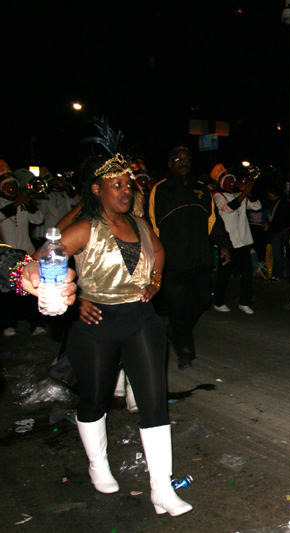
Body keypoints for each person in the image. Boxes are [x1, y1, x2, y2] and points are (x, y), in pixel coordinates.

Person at [54, 154, 192, 516]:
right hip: (96, 323)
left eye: (128, 185)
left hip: (141, 319)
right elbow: (46, 258)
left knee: (153, 400)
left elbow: (159, 252)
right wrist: (74, 299)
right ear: (97, 189)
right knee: (96, 398)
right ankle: (98, 464)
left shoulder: (141, 223)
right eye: (117, 184)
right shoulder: (84, 226)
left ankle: (162, 488)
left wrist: (156, 280)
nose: (126, 191)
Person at [149, 147, 232, 369]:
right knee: (178, 307)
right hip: (172, 261)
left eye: (186, 159)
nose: (183, 162)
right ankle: (185, 351)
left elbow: (213, 221)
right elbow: (151, 225)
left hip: (199, 258)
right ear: (170, 164)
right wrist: (154, 256)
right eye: (178, 159)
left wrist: (224, 243)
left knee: (202, 301)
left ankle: (173, 332)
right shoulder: (160, 190)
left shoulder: (201, 191)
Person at [1, 168, 46, 337]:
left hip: (27, 251)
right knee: (8, 294)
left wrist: (28, 202)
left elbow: (38, 219)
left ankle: (36, 324)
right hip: (7, 255)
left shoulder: (23, 203)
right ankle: (9, 324)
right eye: (8, 185)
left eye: (14, 184)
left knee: (31, 290)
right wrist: (16, 203)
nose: (12, 187)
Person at [211, 164, 261, 314]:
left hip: (242, 242)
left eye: (233, 179)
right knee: (224, 274)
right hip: (228, 243)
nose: (232, 181)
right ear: (221, 183)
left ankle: (244, 302)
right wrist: (244, 193)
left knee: (247, 272)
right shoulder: (218, 196)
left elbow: (257, 206)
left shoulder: (241, 195)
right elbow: (228, 208)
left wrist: (248, 192)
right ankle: (218, 302)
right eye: (228, 180)